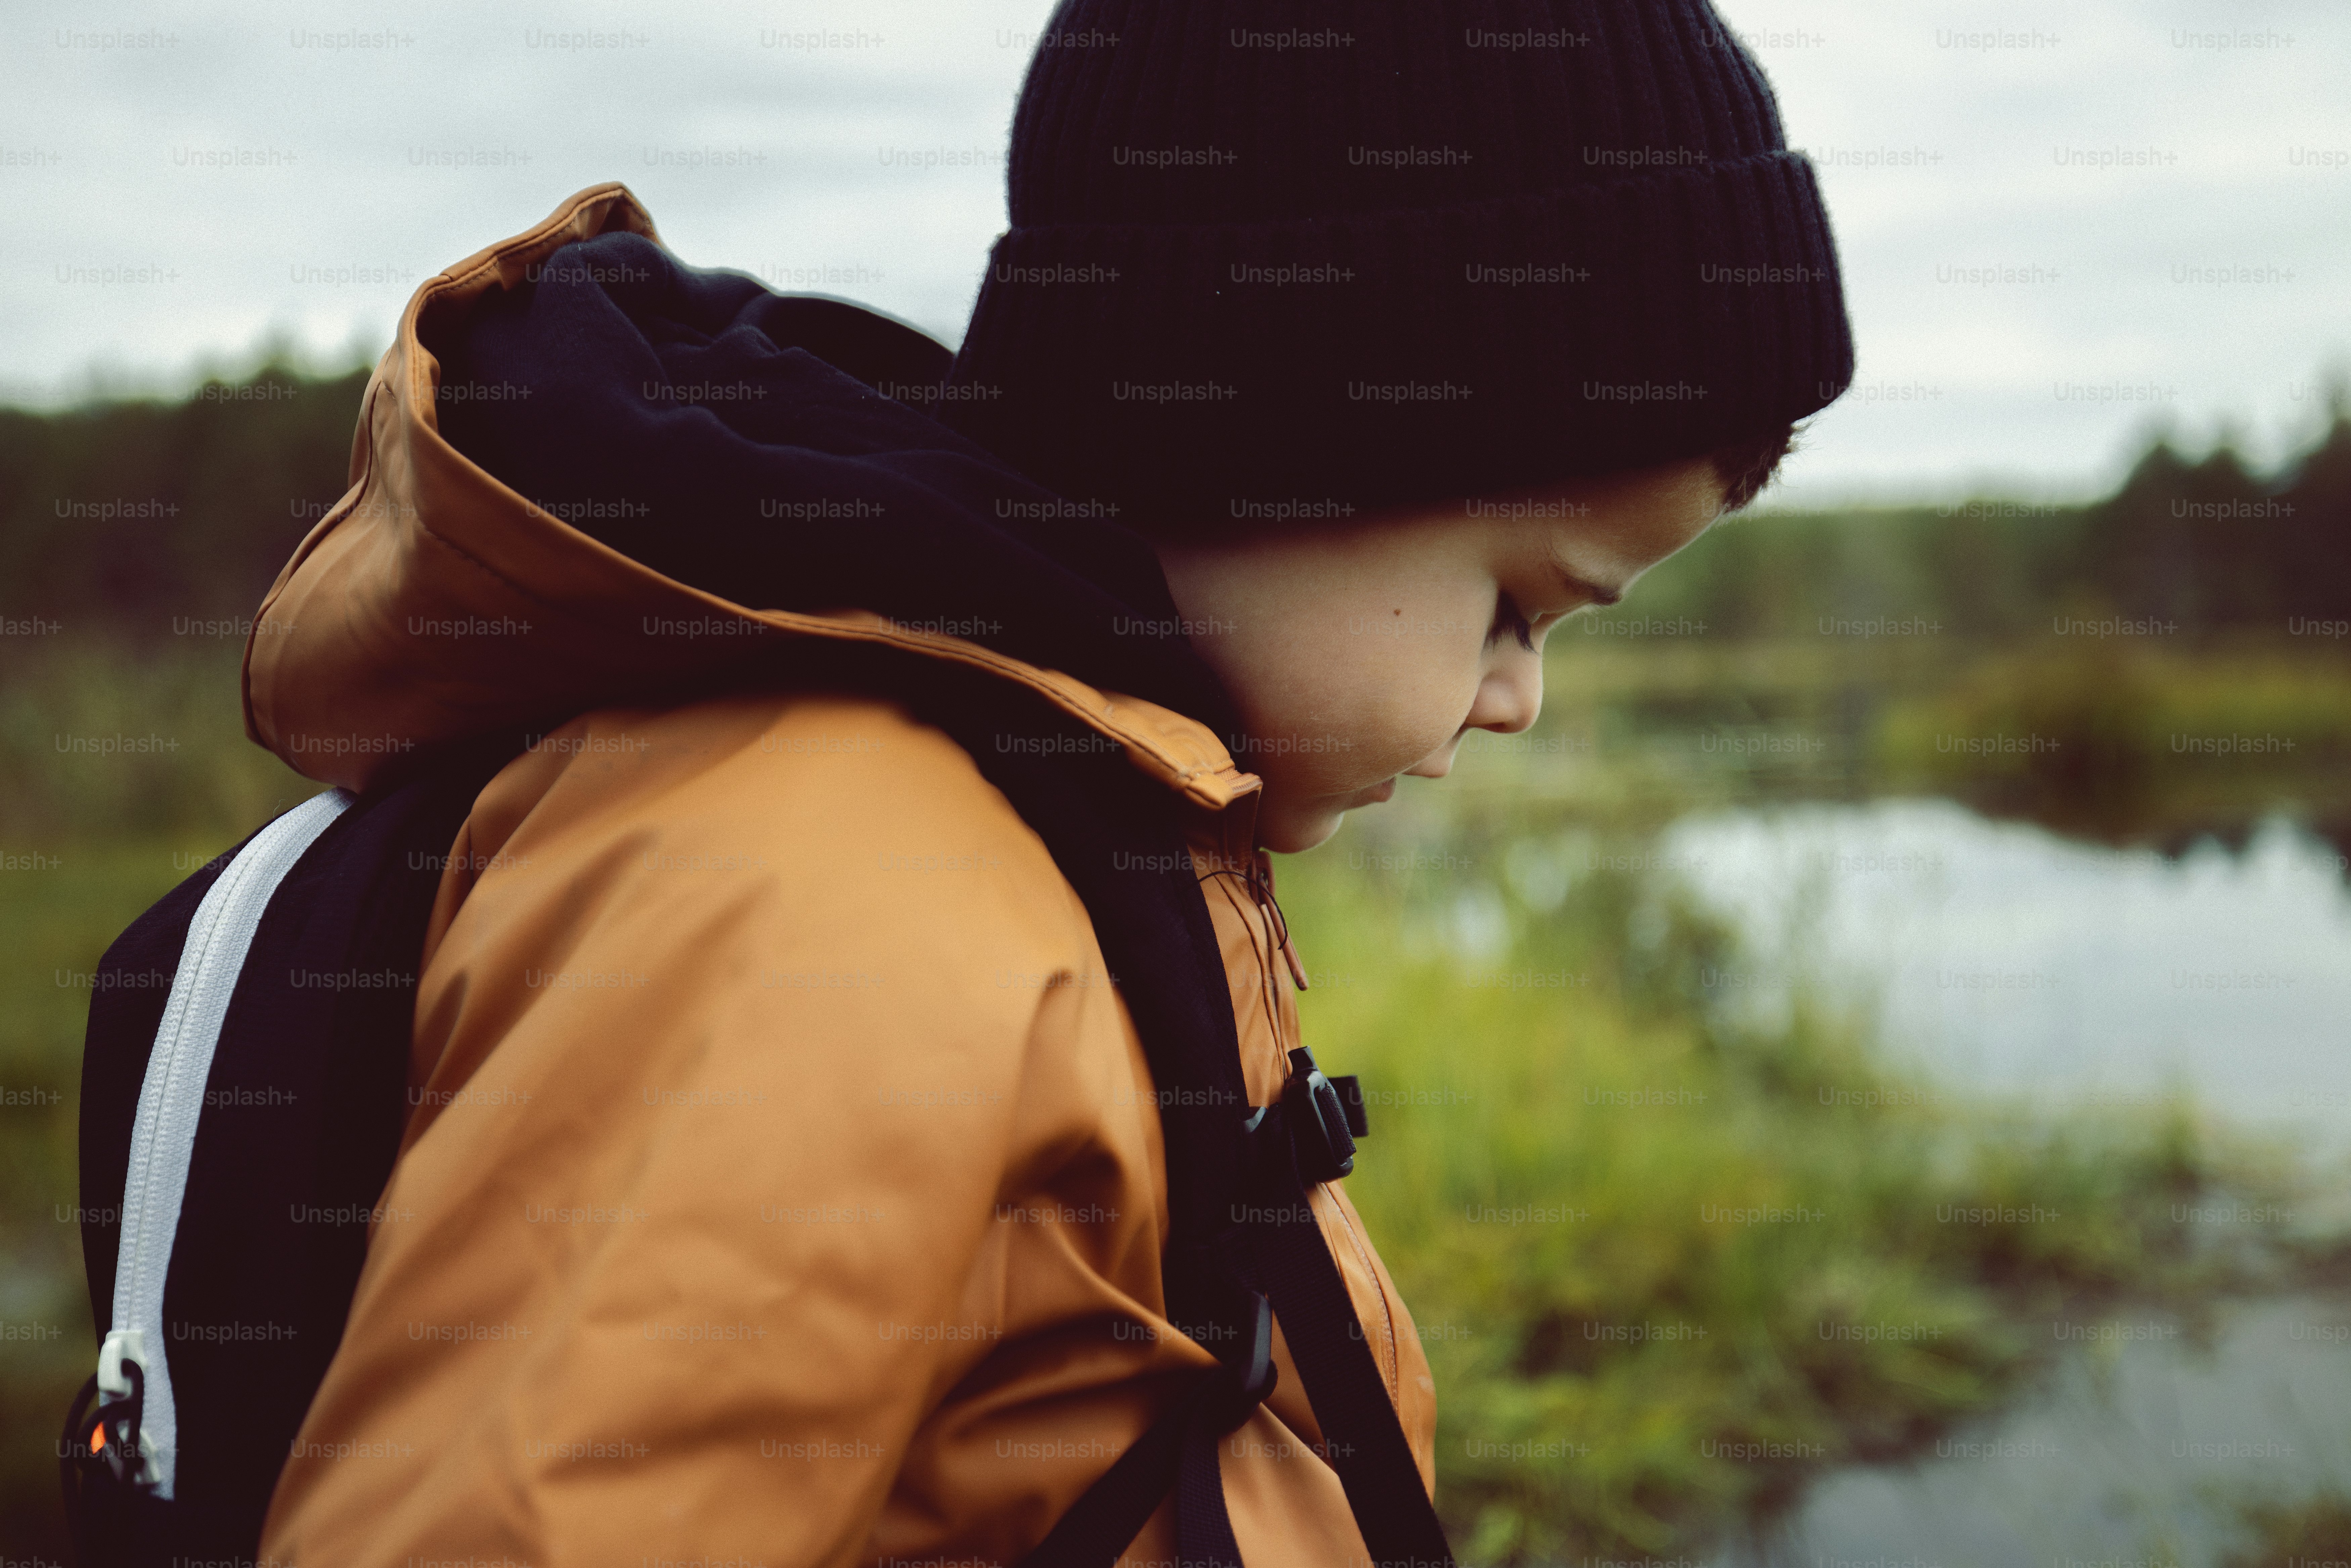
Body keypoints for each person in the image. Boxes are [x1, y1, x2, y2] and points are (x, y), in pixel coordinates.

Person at [251, 5, 1851, 1564]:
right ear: (1276, 425)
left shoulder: (1069, 802)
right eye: (1514, 602)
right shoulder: (837, 895)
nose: (1519, 700)